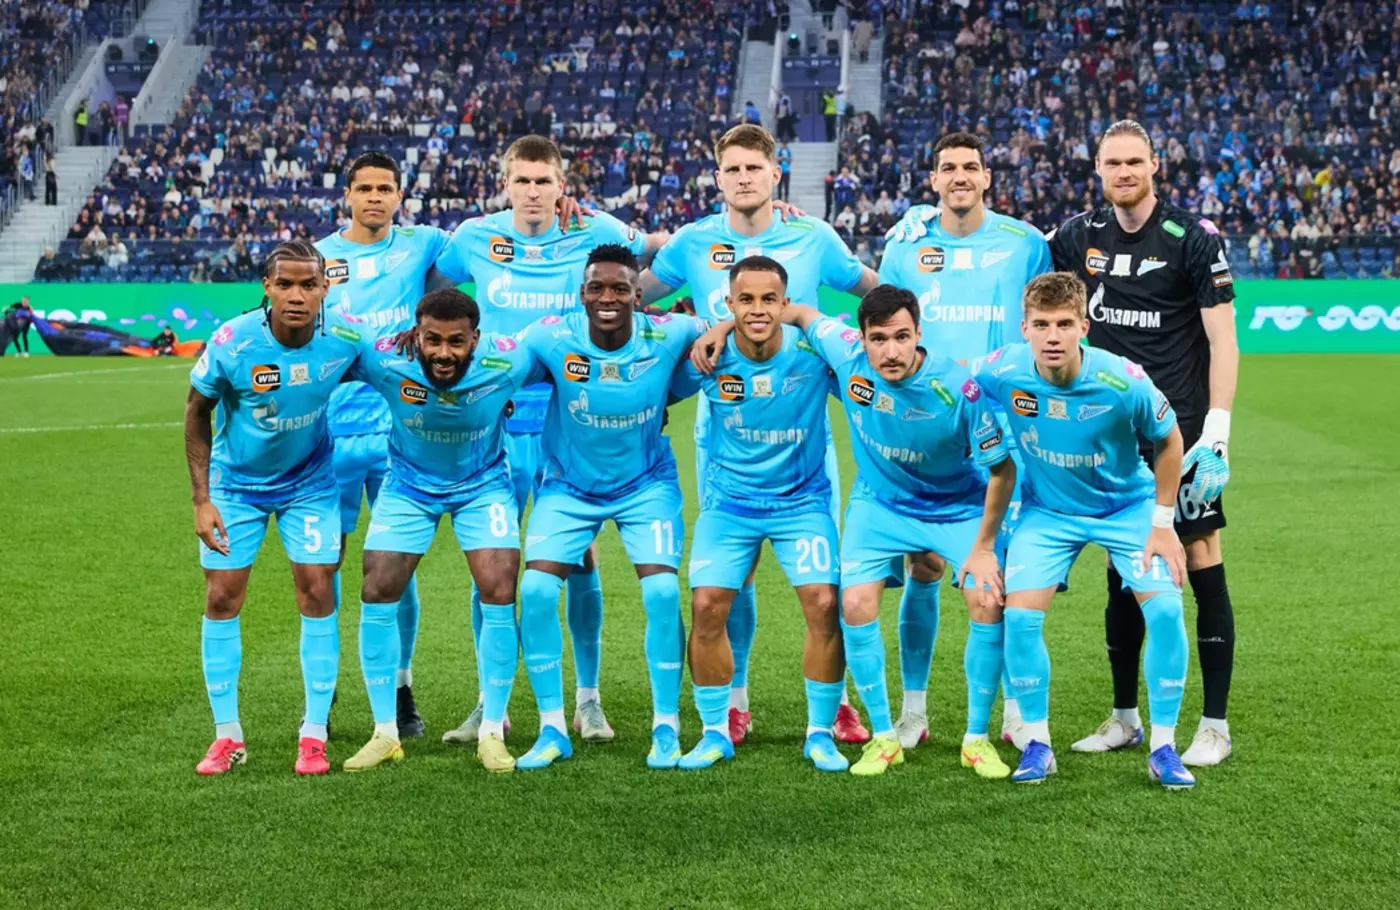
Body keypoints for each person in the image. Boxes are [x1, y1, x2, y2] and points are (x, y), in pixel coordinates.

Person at [640, 123, 881, 745]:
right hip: (724, 426)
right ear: (717, 177)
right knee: (733, 577)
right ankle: (735, 700)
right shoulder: (693, 241)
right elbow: (633, 297)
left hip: (803, 435)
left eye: (755, 168)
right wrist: (698, 326)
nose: (744, 178)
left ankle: (839, 704)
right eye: (733, 169)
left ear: (777, 174)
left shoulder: (813, 236)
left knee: (823, 586)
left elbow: (872, 291)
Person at [719, 286, 1016, 777]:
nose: (890, 351)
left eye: (902, 337)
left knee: (986, 600)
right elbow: (796, 311)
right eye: (878, 339)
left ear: (919, 334)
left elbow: (1002, 469)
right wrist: (719, 328)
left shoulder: (958, 389)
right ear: (861, 338)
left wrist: (984, 548)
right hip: (880, 505)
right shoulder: (846, 354)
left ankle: (976, 739)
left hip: (955, 506)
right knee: (854, 603)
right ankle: (883, 737)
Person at [435, 135, 666, 746]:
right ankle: (490, 701)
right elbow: (434, 289)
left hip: (569, 424)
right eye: (523, 180)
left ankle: (588, 699)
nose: (533, 192)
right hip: (494, 425)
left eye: (544, 181)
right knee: (491, 564)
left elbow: (662, 251)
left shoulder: (595, 230)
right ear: (505, 184)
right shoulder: (475, 237)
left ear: (562, 186)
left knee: (579, 558)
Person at [1047, 120, 1239, 767]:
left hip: (1178, 434)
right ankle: (1125, 717)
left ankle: (1213, 726)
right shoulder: (1078, 236)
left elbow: (1223, 339)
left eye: (1135, 161)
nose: (1124, 172)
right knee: (1122, 570)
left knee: (1201, 558)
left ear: (1155, 165)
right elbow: (1017, 254)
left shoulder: (1193, 239)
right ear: (1098, 169)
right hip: (1108, 435)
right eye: (1113, 163)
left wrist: (1217, 431)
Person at [971, 271, 1196, 789]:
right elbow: (961, 386)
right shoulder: (1000, 370)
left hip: (1127, 508)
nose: (1052, 337)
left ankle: (1163, 747)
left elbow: (1170, 441)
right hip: (1048, 512)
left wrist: (1163, 524)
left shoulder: (1123, 381)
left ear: (1084, 327)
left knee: (1165, 610)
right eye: (1041, 325)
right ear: (1024, 328)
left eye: (1064, 324)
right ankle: (1038, 744)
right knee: (1020, 618)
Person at [881, 131, 1052, 750]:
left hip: (1004, 433)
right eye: (948, 167)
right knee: (923, 566)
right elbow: (887, 330)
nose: (960, 176)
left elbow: (1046, 324)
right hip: (929, 433)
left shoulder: (1025, 244)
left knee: (1002, 578)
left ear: (987, 177)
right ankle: (914, 711)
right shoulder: (905, 245)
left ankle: (1013, 711)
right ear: (932, 180)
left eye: (970, 167)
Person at [511, 244, 706, 771]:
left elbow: (726, 327)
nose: (608, 298)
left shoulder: (669, 333)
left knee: (662, 592)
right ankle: (553, 727)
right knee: (535, 590)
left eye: (620, 288)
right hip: (569, 487)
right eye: (596, 288)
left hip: (646, 484)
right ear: (581, 293)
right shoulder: (551, 336)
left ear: (638, 296)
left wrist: (723, 330)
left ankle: (666, 726)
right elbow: (497, 359)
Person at [338, 288, 544, 774]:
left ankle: (492, 732)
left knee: (499, 588)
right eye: (432, 340)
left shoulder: (509, 361)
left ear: (476, 338)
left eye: (456, 341)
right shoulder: (386, 359)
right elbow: (321, 358)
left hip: (484, 485)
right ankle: (385, 732)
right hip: (407, 486)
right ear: (417, 334)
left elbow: (574, 366)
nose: (443, 353)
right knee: (377, 586)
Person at [182, 240, 361, 777]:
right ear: (267, 287)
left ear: (325, 288)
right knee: (222, 595)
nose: (296, 296)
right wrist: (201, 500)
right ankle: (227, 735)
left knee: (317, 589)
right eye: (284, 284)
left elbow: (397, 368)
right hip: (235, 487)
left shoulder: (345, 339)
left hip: (310, 483)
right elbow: (196, 412)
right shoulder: (233, 342)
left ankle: (314, 734)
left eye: (308, 285)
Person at [668, 257, 846, 772]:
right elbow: (654, 386)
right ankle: (714, 731)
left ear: (786, 304)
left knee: (823, 603)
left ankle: (820, 734)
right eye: (745, 300)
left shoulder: (813, 354)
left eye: (770, 299)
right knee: (706, 606)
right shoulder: (709, 357)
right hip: (730, 506)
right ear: (729, 304)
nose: (758, 309)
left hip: (801, 503)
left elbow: (867, 367)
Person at [315, 151, 457, 739]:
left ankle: (400, 688)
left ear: (401, 195)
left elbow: (491, 246)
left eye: (385, 188)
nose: (374, 197)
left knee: (397, 563)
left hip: (401, 430)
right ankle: (322, 689)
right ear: (347, 195)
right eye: (364, 188)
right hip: (330, 433)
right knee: (324, 564)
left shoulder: (424, 245)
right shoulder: (319, 258)